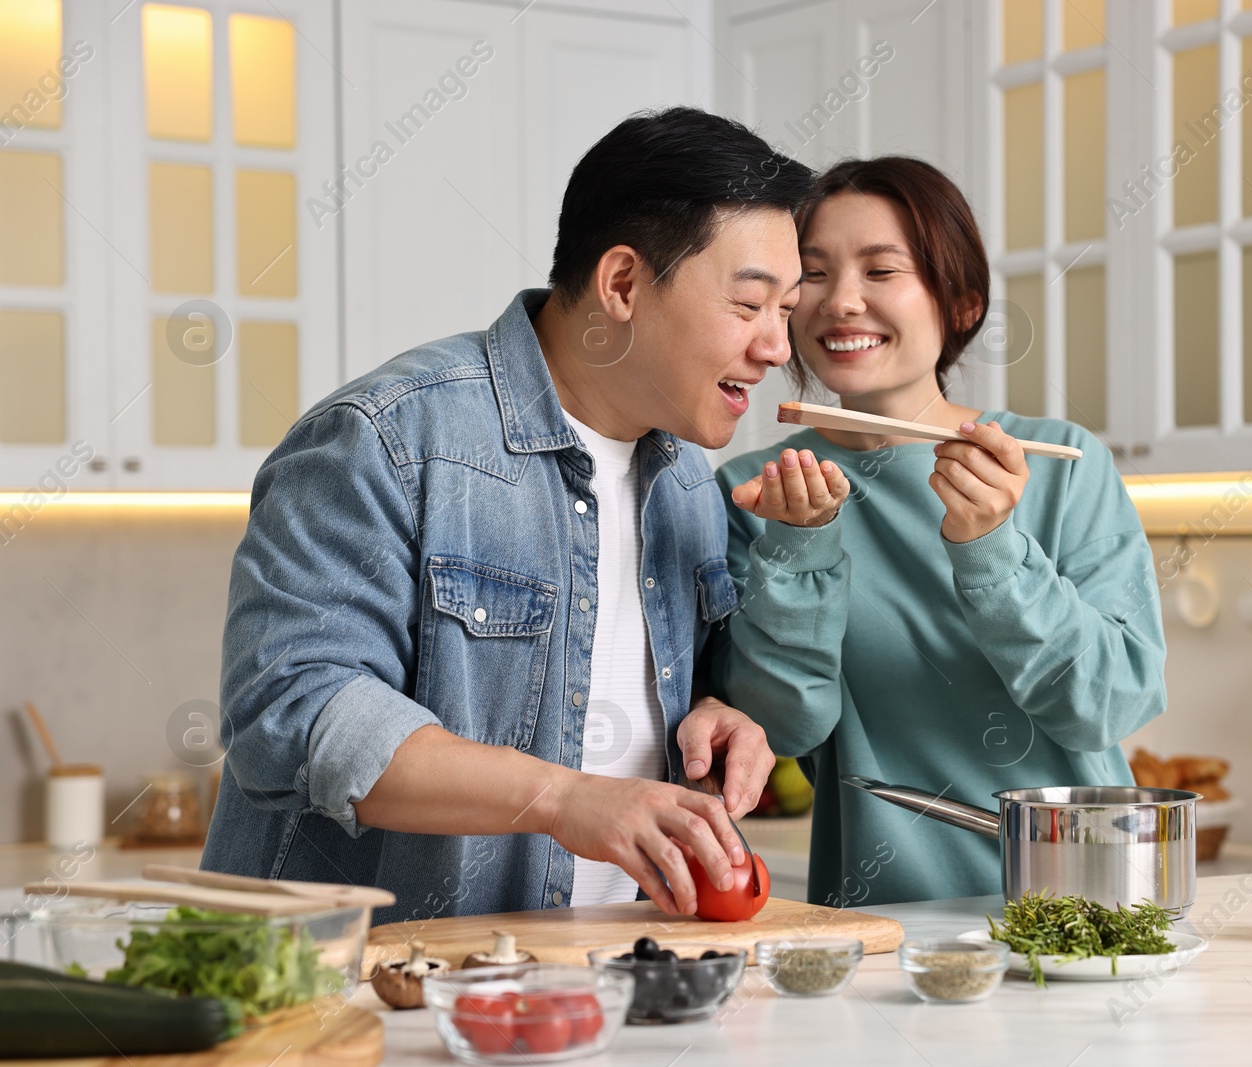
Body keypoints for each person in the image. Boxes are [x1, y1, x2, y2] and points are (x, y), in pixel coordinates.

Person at [203, 108, 812, 925]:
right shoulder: (387, 438)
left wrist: (714, 718)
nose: (777, 346)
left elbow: (630, 711)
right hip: (355, 993)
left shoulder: (687, 484)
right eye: (751, 305)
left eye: (788, 310)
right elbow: (295, 714)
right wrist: (561, 798)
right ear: (622, 283)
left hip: (586, 984)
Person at [712, 157, 1166, 906]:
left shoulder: (1060, 465)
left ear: (960, 301)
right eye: (814, 275)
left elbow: (1110, 703)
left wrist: (993, 551)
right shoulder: (752, 493)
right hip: (889, 921)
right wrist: (797, 549)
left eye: (881, 270)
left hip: (1094, 905)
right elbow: (785, 726)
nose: (842, 302)